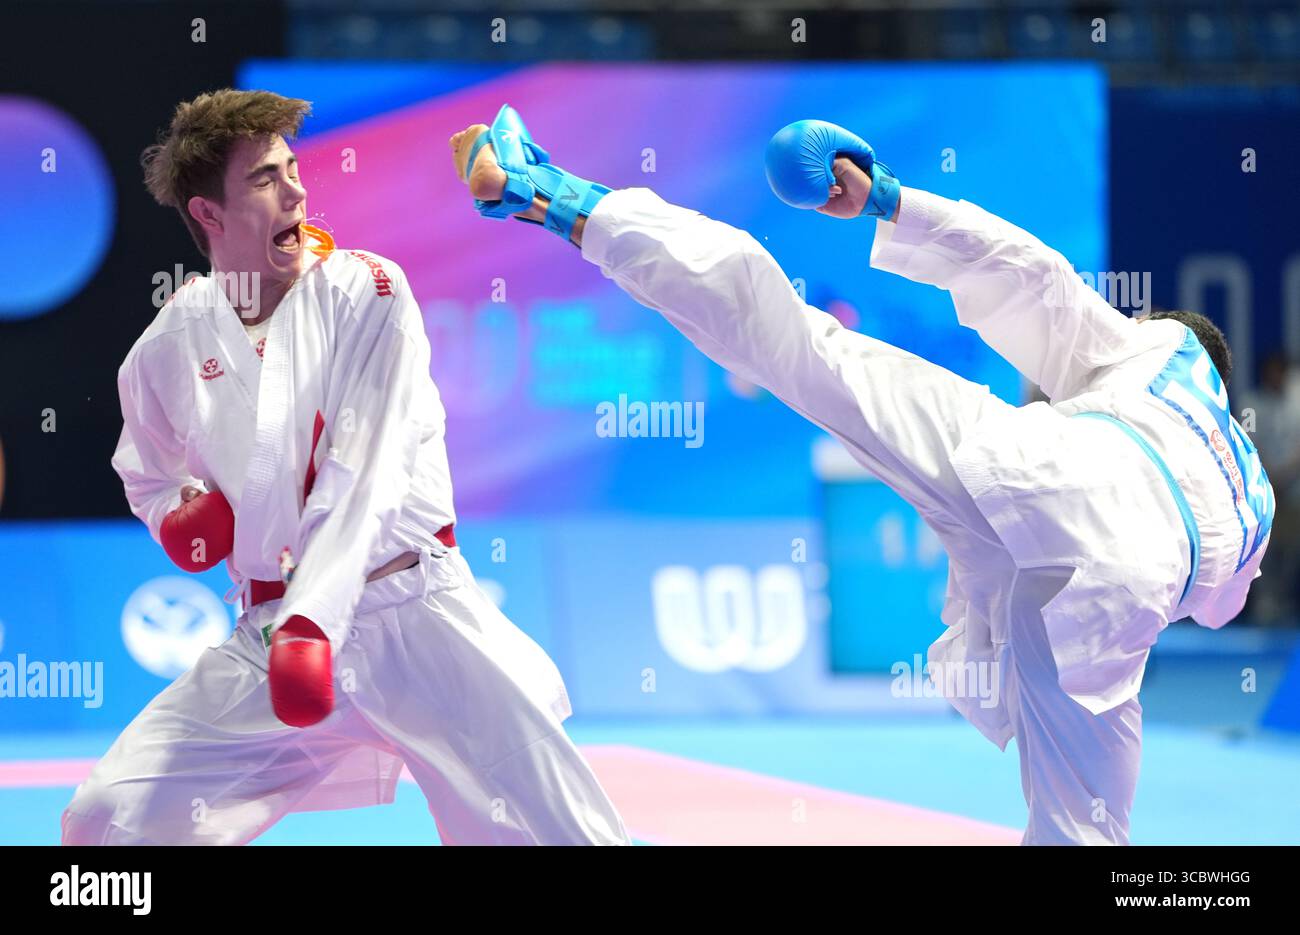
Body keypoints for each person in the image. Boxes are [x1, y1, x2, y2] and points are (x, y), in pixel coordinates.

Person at [450, 108, 1274, 845]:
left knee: (801, 346)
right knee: (1085, 830)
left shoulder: (1161, 350)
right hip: (1107, 602)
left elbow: (1034, 275)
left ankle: (549, 193)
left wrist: (887, 198)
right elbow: (1213, 604)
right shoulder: (1256, 496)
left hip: (1052, 479)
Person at [61, 90, 629, 845]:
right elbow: (145, 464)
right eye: (266, 178)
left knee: (566, 837)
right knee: (107, 823)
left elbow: (365, 473)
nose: (297, 189)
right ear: (208, 215)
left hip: (416, 617)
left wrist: (313, 620)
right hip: (272, 634)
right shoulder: (167, 346)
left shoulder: (368, 291)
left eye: (292, 167)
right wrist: (174, 509)